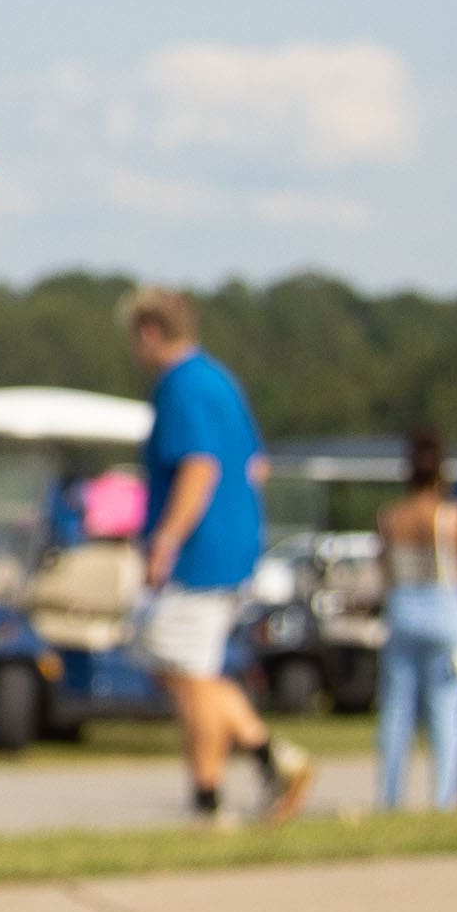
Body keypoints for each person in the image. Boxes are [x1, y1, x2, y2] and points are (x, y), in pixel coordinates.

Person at [128, 287, 309, 826]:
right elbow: (256, 467)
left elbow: (200, 467)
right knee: (189, 668)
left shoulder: (180, 385)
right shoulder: (220, 380)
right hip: (236, 542)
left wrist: (166, 538)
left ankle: (263, 759)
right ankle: (210, 791)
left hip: (199, 550)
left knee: (183, 667)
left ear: (150, 332)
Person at [370, 427, 457, 813]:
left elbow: (384, 571)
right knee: (448, 713)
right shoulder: (450, 516)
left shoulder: (391, 517)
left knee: (396, 713)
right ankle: (445, 798)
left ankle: (390, 798)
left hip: (403, 608)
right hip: (447, 610)